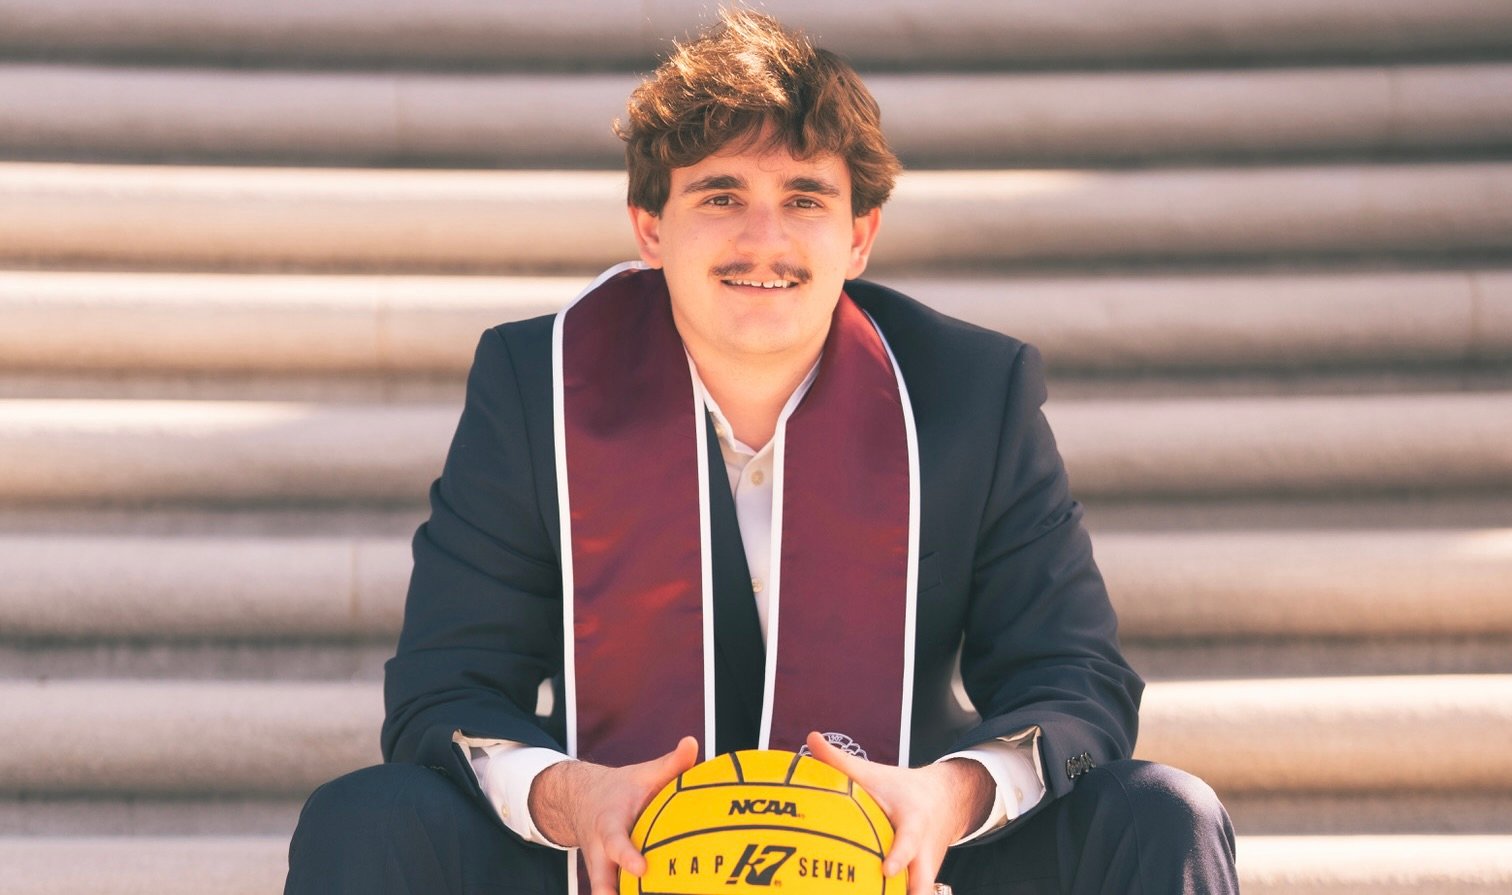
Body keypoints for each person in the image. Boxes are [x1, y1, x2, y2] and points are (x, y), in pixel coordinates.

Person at [286, 10, 1238, 895]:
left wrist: (945, 797)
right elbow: (444, 692)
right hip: (615, 856)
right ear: (651, 227)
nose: (764, 238)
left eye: (805, 198)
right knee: (366, 822)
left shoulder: (966, 395)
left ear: (859, 234)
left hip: (894, 859)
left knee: (1158, 815)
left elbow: (1076, 680)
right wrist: (576, 799)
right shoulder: (537, 386)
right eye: (721, 194)